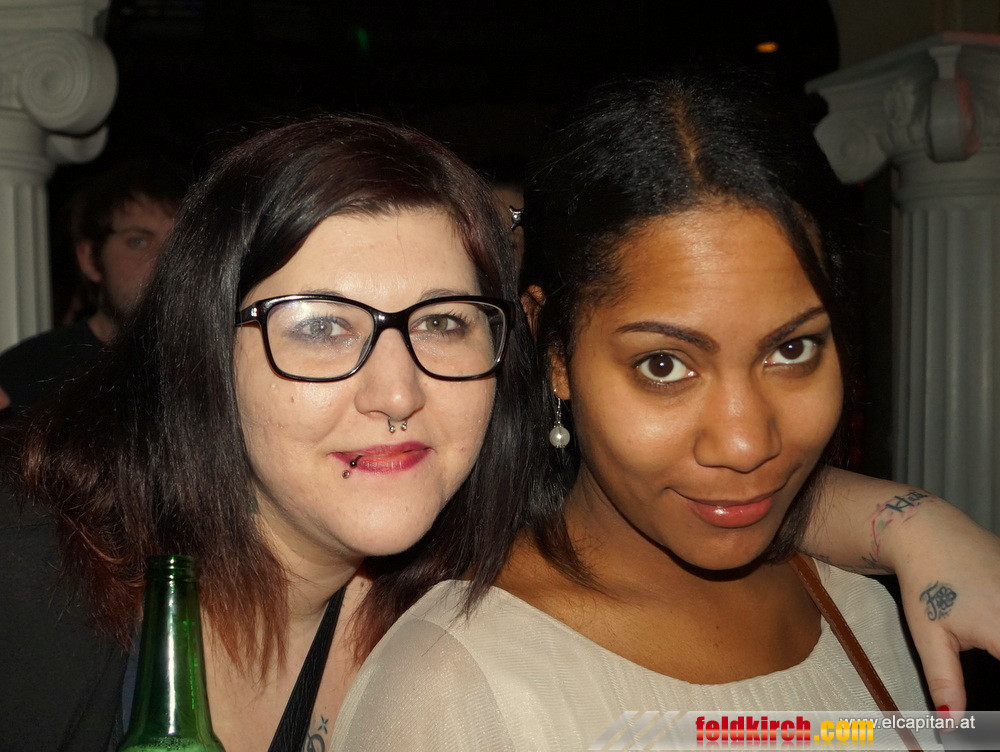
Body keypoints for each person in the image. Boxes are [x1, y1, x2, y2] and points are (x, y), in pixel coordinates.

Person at [1, 112, 998, 752]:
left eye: (442, 322)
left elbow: (700, 477)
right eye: (320, 326)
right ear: (199, 347)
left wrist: (915, 523)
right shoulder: (35, 580)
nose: (398, 391)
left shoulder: (457, 554)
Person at [329, 71, 999, 750]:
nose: (745, 444)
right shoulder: (456, 689)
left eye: (792, 349)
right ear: (555, 350)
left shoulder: (870, 614)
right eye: (664, 365)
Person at [0, 158, 185, 414]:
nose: (164, 260)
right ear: (89, 258)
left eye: (180, 242)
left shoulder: (220, 360)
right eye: (138, 242)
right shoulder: (29, 375)